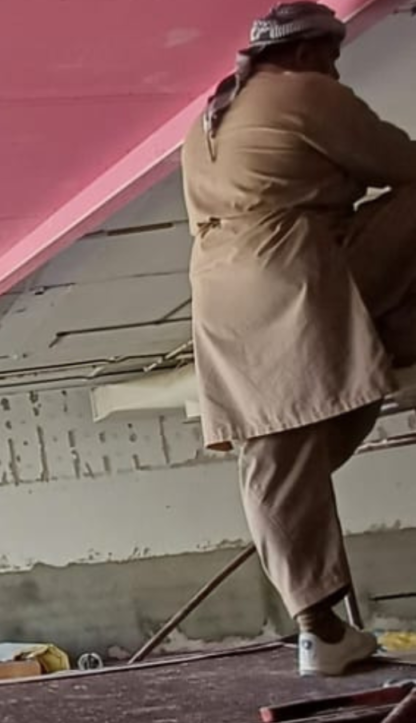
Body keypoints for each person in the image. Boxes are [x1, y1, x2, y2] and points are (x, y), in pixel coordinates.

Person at [182, 2, 416, 676]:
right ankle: (399, 333)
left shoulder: (206, 119)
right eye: (332, 58)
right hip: (295, 271)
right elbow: (400, 161)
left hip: (221, 293)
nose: (336, 71)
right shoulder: (306, 92)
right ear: (308, 51)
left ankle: (319, 630)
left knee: (278, 454)